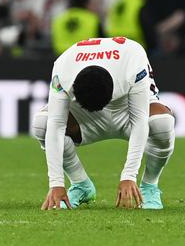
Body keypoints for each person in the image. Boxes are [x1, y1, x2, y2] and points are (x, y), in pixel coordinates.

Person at [32, 37, 174, 210]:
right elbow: (56, 124)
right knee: (42, 124)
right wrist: (56, 183)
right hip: (85, 117)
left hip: (125, 109)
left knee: (162, 123)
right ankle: (81, 185)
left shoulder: (132, 59)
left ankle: (149, 186)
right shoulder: (63, 68)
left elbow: (139, 120)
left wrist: (128, 176)